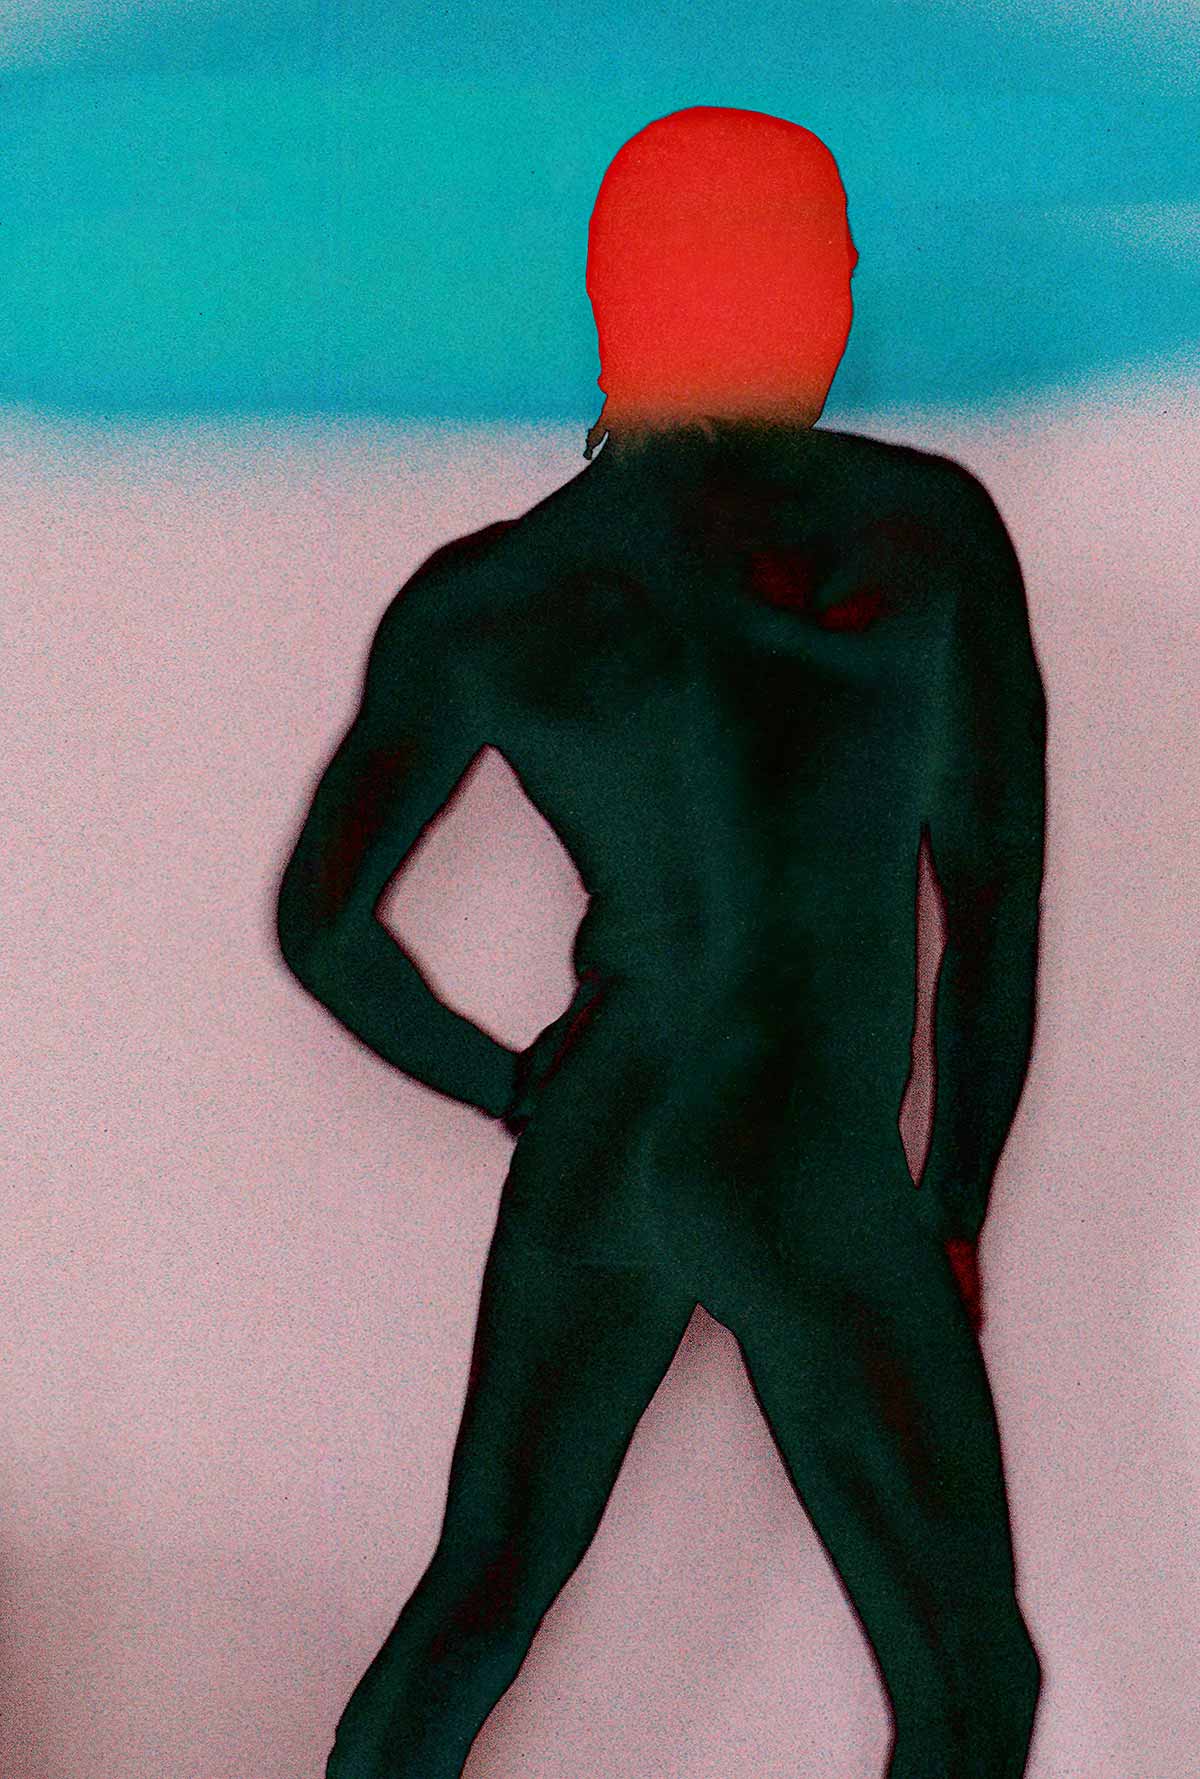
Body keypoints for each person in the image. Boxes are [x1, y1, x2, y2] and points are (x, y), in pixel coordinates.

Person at [275, 105, 1047, 1779]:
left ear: (616, 295)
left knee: (481, 1597)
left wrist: (512, 1084)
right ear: (797, 287)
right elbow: (989, 900)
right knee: (969, 1677)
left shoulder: (495, 591)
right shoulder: (920, 533)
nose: (846, 285)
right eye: (828, 257)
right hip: (797, 1147)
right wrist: (954, 1202)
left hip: (603, 1130)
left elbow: (323, 927)